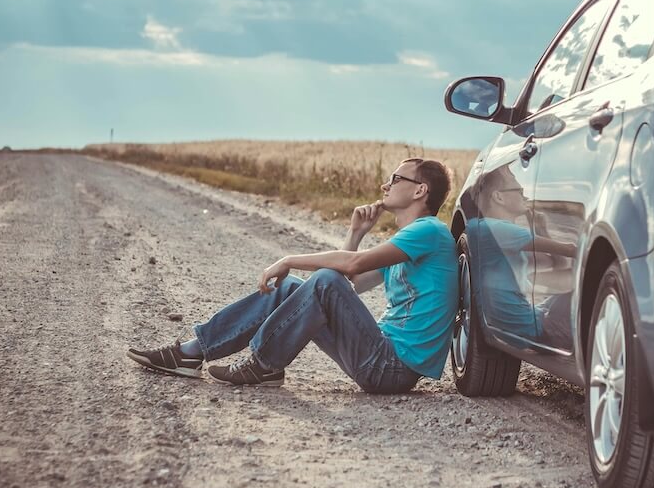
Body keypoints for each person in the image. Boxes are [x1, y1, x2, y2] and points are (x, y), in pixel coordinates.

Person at [127, 158, 459, 394]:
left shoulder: (428, 231)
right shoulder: (408, 240)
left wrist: (290, 258)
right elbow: (347, 287)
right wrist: (356, 233)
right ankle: (192, 351)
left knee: (320, 279)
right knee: (290, 287)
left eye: (397, 179)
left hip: (391, 369)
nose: (386, 184)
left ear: (420, 191)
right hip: (378, 356)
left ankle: (265, 363)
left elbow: (346, 271)